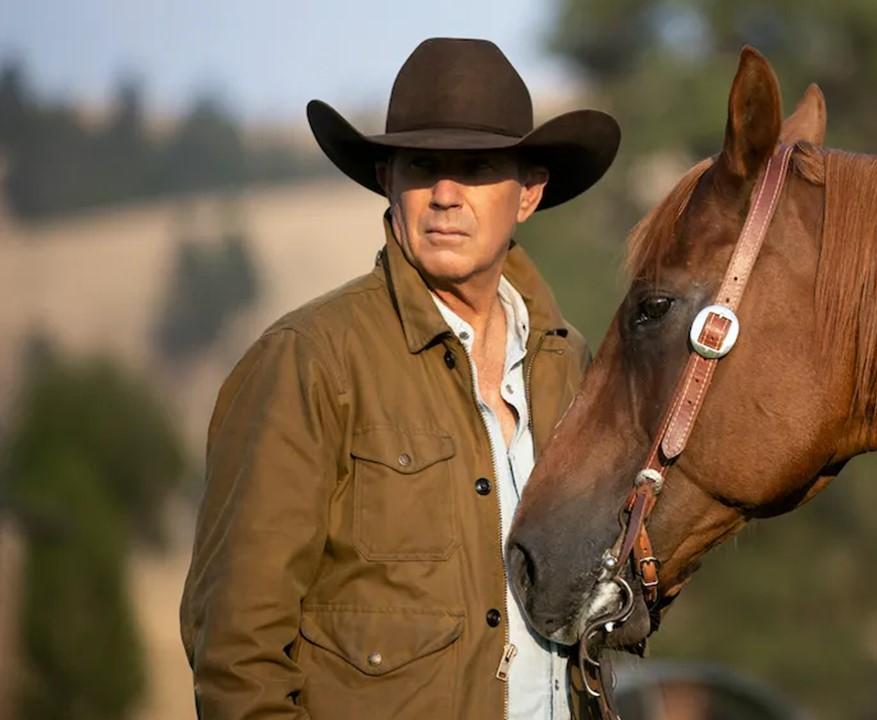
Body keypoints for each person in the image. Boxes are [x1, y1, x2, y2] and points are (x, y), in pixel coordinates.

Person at [179, 37, 619, 719]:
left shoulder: (572, 366)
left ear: (528, 193)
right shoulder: (309, 362)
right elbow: (238, 653)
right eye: (422, 165)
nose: (445, 195)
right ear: (388, 179)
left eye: (475, 168)